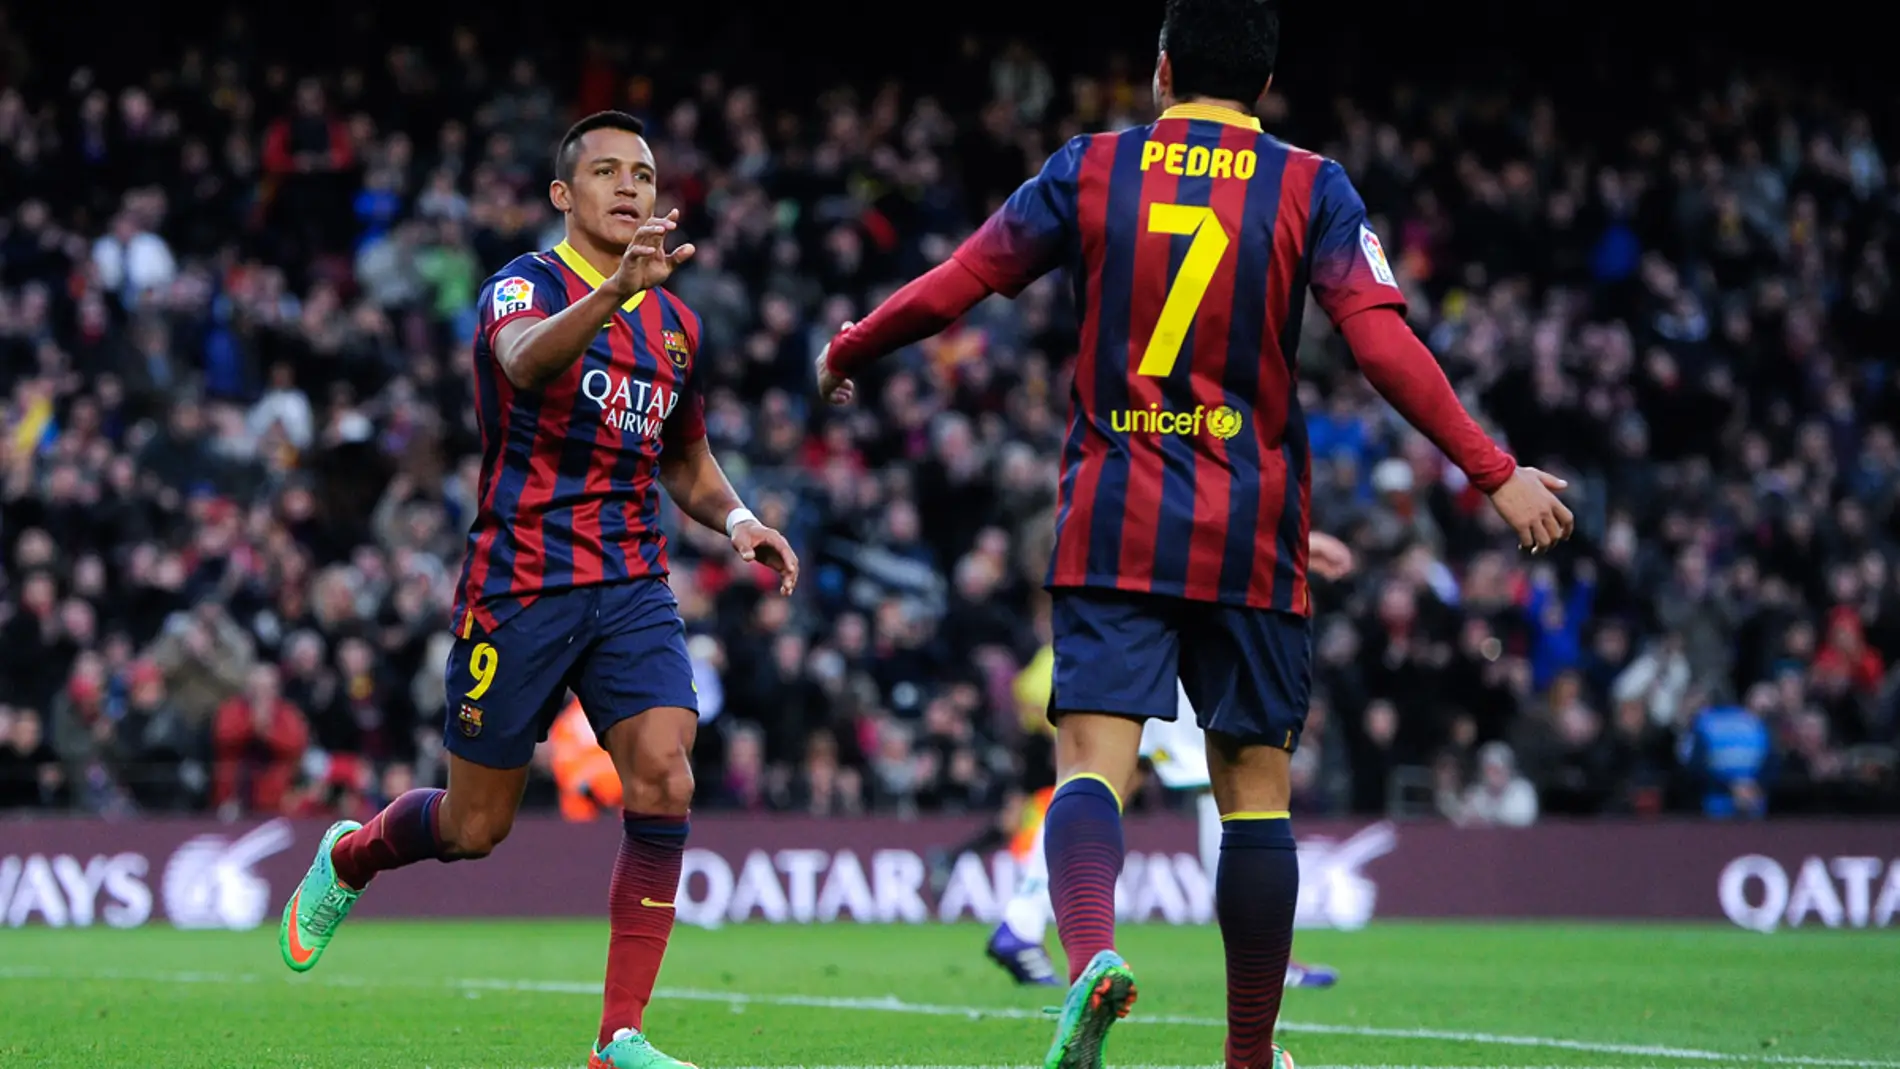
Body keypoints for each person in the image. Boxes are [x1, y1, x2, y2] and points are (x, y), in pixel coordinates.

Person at [815, 1, 1574, 1064]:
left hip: (1114, 508)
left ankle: (1087, 961)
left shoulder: (1090, 167)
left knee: (1091, 764)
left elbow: (962, 284)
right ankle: (1249, 1053)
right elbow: (1380, 344)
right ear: (1264, 86)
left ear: (1162, 70)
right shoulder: (1312, 184)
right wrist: (1492, 473)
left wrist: (853, 345)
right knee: (1255, 791)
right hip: (1252, 526)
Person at [277, 110, 800, 1069]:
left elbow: (684, 460)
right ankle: (351, 854)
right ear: (566, 196)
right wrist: (612, 294)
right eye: (605, 172)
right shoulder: (523, 285)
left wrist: (738, 521)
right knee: (476, 826)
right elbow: (523, 363)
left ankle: (619, 1039)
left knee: (666, 772)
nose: (630, 187)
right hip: (520, 581)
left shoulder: (678, 322)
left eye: (642, 173)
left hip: (632, 579)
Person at [986, 532, 1354, 991]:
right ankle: (1262, 957)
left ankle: (1020, 924)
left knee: (1112, 774)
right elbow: (1208, 499)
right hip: (1180, 605)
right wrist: (1284, 543)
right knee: (1218, 777)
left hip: (1134, 602)